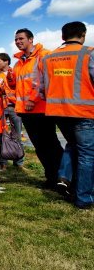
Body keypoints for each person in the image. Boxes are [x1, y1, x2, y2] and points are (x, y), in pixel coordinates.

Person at [41, 21, 94, 210]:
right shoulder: (89, 53)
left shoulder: (48, 58)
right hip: (84, 112)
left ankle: (63, 177)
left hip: (58, 112)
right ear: (83, 35)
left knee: (72, 145)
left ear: (63, 37)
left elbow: (42, 88)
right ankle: (84, 198)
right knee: (88, 154)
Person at [11, 28, 63, 188]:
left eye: (21, 39)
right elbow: (17, 86)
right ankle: (51, 178)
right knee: (40, 147)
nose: (18, 42)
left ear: (31, 39)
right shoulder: (19, 63)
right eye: (16, 40)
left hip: (42, 109)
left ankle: (64, 179)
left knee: (51, 145)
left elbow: (46, 80)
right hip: (25, 111)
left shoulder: (44, 55)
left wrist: (33, 100)